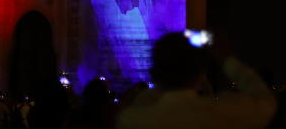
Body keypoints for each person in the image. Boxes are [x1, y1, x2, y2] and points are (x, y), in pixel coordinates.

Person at [116, 31, 275, 129]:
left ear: (155, 73)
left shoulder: (132, 120)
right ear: (201, 73)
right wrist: (227, 59)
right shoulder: (225, 114)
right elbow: (265, 101)